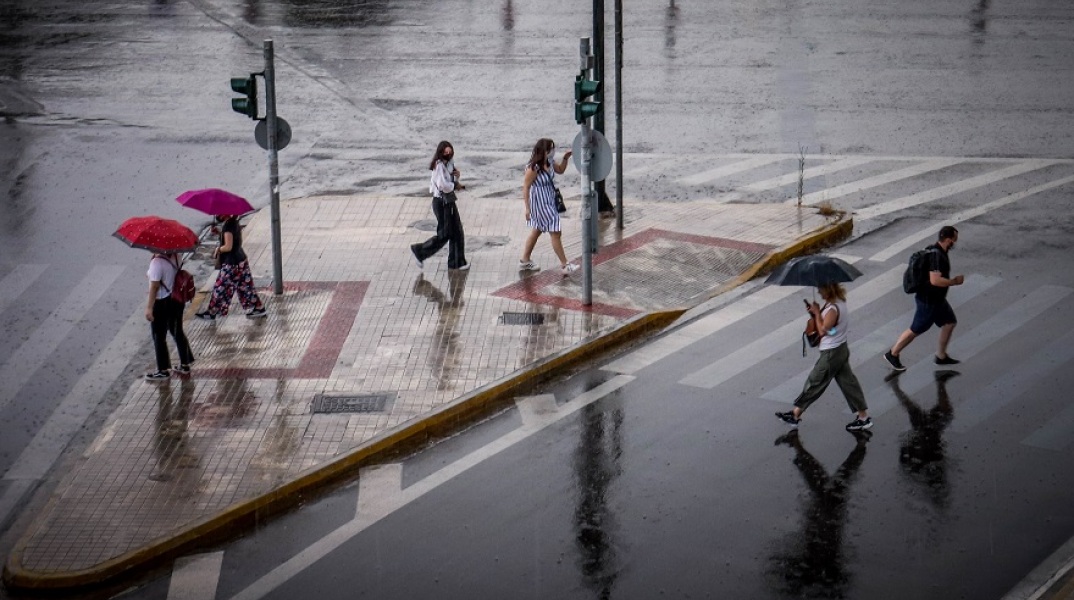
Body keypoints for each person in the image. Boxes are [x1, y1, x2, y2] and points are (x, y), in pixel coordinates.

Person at [776, 282, 872, 432]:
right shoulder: (839, 303)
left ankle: (795, 415)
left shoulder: (833, 309)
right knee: (848, 383)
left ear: (829, 289)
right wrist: (816, 313)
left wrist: (816, 313)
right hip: (840, 348)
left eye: (821, 289)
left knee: (815, 382)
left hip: (831, 353)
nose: (819, 292)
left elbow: (823, 331)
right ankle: (863, 417)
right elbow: (833, 329)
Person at [884, 225, 965, 371]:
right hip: (929, 301)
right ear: (948, 240)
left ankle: (941, 356)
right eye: (954, 240)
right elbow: (935, 280)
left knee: (949, 323)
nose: (955, 243)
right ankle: (893, 353)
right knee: (915, 329)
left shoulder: (936, 250)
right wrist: (954, 282)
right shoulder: (937, 256)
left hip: (937, 300)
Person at [518, 138, 578, 276]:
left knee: (537, 230)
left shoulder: (549, 163)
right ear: (543, 151)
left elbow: (561, 170)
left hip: (549, 200)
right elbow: (526, 187)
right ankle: (565, 265)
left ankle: (525, 260)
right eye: (550, 149)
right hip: (539, 204)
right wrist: (527, 208)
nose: (552, 151)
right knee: (555, 231)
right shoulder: (533, 168)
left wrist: (565, 158)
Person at [196, 215, 267, 321]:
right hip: (240, 260)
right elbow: (232, 240)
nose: (217, 215)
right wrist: (219, 234)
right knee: (246, 287)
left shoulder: (228, 226)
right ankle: (259, 308)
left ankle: (212, 312)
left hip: (232, 264)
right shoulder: (234, 222)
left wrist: (218, 250)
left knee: (220, 287)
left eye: (220, 212)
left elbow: (228, 246)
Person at [411, 141, 468, 271]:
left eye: (450, 152)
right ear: (441, 152)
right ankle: (419, 251)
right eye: (446, 152)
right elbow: (443, 185)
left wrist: (456, 177)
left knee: (457, 231)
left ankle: (457, 262)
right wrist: (455, 186)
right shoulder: (439, 166)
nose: (449, 154)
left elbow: (450, 182)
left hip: (448, 201)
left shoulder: (448, 164)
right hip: (442, 203)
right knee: (445, 233)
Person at [145, 253, 195, 381]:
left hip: (162, 301)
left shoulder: (157, 262)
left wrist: (149, 307)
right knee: (177, 330)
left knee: (158, 335)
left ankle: (163, 370)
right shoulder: (177, 256)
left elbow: (155, 286)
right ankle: (185, 363)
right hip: (177, 299)